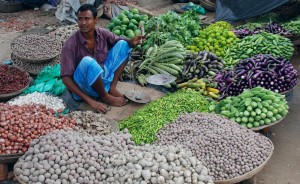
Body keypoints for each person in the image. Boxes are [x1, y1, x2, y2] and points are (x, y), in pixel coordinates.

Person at [60, 4, 144, 113]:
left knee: (123, 44)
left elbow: (120, 42)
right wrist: (91, 102)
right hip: (85, 86)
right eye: (80, 19)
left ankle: (111, 88)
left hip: (100, 80)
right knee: (88, 61)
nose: (83, 23)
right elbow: (65, 78)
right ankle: (105, 96)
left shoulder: (101, 33)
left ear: (96, 20)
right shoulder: (70, 44)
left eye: (87, 19)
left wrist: (132, 42)